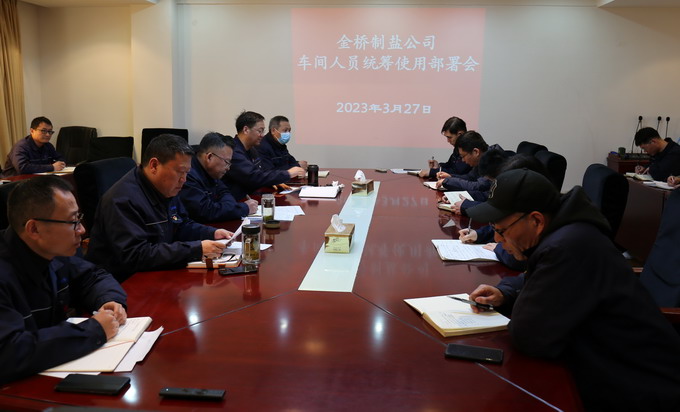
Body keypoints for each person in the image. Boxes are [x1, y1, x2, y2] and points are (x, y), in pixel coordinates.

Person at [463, 169, 680, 411]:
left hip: (637, 389)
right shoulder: (565, 233)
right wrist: (507, 292)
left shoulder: (567, 247)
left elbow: (528, 335)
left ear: (536, 221)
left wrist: (521, 300)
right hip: (610, 368)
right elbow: (539, 278)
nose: (496, 238)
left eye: (501, 230)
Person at [0, 176, 127, 384]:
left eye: (79, 218)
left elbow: (93, 277)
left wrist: (109, 300)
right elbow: (8, 352)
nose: (82, 229)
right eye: (72, 221)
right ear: (34, 229)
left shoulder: (51, 251)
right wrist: (93, 330)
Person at [86, 134, 232, 282]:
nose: (184, 179)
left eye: (187, 173)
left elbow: (181, 224)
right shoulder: (121, 200)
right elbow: (135, 255)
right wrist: (196, 249)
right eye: (180, 172)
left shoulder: (167, 188)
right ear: (154, 165)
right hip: (122, 282)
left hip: (156, 271)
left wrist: (212, 233)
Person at [222, 111, 305, 200]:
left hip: (250, 197)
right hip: (236, 201)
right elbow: (253, 177)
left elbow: (262, 172)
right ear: (246, 130)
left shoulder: (252, 149)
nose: (262, 135)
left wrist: (273, 182)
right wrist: (288, 173)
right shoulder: (233, 151)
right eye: (260, 131)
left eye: (263, 131)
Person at [179, 132, 258, 222]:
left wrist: (231, 207)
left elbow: (224, 192)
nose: (228, 168)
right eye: (227, 162)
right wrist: (243, 208)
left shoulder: (212, 172)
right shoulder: (187, 174)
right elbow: (205, 211)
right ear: (209, 157)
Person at [435, 131, 503, 192]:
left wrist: (449, 181)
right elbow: (470, 177)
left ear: (476, 152)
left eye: (463, 156)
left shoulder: (494, 160)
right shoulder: (483, 157)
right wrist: (450, 176)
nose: (463, 160)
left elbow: (479, 186)